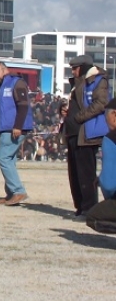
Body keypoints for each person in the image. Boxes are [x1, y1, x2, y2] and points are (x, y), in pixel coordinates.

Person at [61, 54, 111, 219]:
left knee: (86, 173)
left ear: (82, 67)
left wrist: (79, 117)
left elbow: (101, 103)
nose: (73, 72)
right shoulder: (77, 84)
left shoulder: (98, 80)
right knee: (74, 173)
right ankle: (80, 207)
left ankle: (89, 209)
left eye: (74, 68)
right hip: (74, 133)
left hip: (88, 132)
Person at [0, 61, 33, 206]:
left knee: (3, 158)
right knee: (9, 159)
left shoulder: (16, 83)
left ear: (5, 70)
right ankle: (11, 194)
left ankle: (18, 191)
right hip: (6, 128)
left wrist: (18, 126)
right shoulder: (0, 87)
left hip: (14, 128)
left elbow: (23, 105)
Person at [86, 98, 116, 233]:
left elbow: (109, 185)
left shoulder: (111, 138)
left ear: (114, 115)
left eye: (106, 116)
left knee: (93, 217)